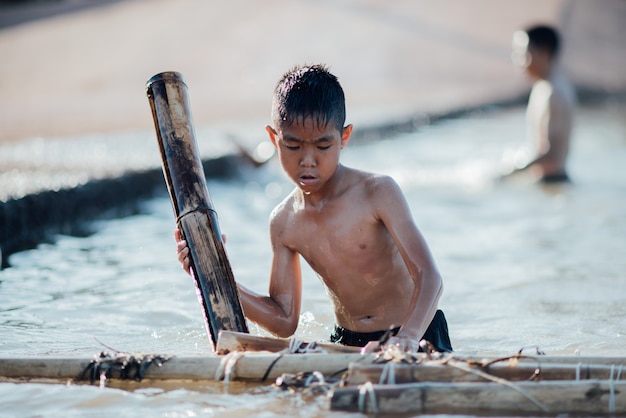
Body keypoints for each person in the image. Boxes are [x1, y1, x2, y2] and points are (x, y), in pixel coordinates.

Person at [175, 64, 452, 353]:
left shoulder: (378, 192)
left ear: (344, 138)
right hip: (347, 343)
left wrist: (407, 337)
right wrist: (213, 275)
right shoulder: (284, 222)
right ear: (273, 139)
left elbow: (429, 277)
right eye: (293, 146)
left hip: (416, 333)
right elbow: (283, 320)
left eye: (322, 146)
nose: (308, 160)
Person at [502, 24, 576, 183]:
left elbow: (549, 151)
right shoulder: (547, 85)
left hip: (552, 181)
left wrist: (510, 173)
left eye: (524, 54)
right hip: (549, 181)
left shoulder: (553, 92)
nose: (518, 61)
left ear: (544, 53)